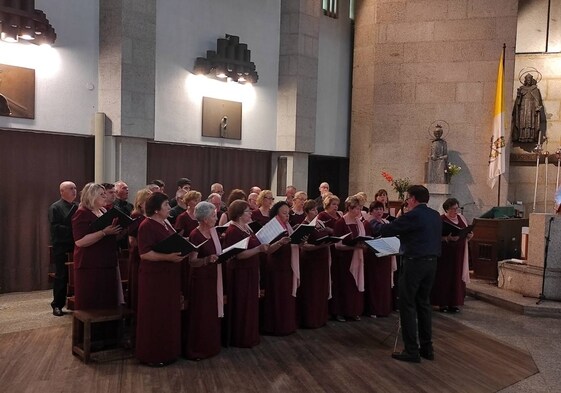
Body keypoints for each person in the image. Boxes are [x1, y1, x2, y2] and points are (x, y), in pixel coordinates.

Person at [374, 185, 441, 363]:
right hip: (432, 263)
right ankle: (427, 348)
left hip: (415, 263)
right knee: (424, 304)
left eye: (407, 199)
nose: (407, 202)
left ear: (412, 199)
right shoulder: (435, 215)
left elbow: (387, 230)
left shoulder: (413, 215)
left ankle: (411, 350)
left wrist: (374, 223)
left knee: (407, 304)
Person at [136, 192, 185, 366]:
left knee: (168, 314)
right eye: (166, 205)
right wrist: (168, 258)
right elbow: (145, 254)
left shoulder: (166, 223)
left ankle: (169, 351)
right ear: (156, 210)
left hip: (168, 275)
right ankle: (153, 355)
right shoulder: (146, 225)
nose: (169, 208)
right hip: (154, 278)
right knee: (155, 315)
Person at [223, 200, 270, 347]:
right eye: (247, 212)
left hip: (251, 270)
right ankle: (241, 337)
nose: (251, 213)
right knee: (242, 305)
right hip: (241, 273)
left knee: (250, 305)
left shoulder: (246, 228)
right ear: (238, 214)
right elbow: (238, 255)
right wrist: (258, 250)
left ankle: (250, 335)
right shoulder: (233, 230)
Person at [72, 183, 122, 310]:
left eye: (105, 193)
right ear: (91, 196)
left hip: (106, 261)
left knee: (107, 300)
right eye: (102, 194)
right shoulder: (82, 213)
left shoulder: (104, 211)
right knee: (93, 301)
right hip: (90, 263)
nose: (105, 196)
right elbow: (80, 241)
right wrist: (104, 232)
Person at [185, 201, 223, 360]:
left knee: (210, 312)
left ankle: (211, 346)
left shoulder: (213, 232)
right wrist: (207, 260)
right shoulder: (195, 234)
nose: (216, 217)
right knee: (201, 313)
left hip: (212, 276)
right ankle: (198, 348)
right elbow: (192, 261)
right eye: (214, 215)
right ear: (205, 218)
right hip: (200, 279)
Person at [431, 198, 473, 313]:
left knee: (456, 277)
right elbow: (434, 237)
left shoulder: (462, 218)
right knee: (444, 278)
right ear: (446, 209)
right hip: (445, 254)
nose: (455, 211)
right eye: (453, 209)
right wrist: (447, 238)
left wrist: (469, 236)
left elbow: (466, 231)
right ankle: (442, 303)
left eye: (457, 208)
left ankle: (454, 303)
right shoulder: (441, 220)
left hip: (459, 253)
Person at [263, 201, 297, 335]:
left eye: (288, 213)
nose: (287, 216)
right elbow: (268, 250)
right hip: (276, 266)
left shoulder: (288, 226)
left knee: (286, 297)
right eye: (284, 213)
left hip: (287, 265)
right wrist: (280, 242)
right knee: (277, 296)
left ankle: (286, 325)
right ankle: (276, 326)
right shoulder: (272, 226)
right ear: (276, 213)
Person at [331, 196, 366, 322]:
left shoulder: (359, 222)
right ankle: (341, 312)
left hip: (357, 258)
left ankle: (353, 311)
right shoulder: (341, 223)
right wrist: (353, 247)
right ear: (349, 208)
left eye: (359, 208)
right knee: (344, 286)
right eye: (355, 208)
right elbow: (337, 245)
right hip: (344, 259)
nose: (358, 211)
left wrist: (363, 245)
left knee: (354, 286)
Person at [298, 199, 331, 328]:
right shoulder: (305, 225)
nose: (315, 212)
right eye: (312, 210)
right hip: (311, 261)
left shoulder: (320, 223)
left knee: (321, 289)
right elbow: (304, 246)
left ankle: (320, 318)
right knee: (312, 290)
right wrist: (319, 246)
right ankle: (311, 319)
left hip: (321, 260)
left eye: (316, 209)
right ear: (306, 212)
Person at [48, 181, 78, 316]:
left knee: (77, 275)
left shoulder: (77, 207)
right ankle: (57, 305)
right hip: (62, 247)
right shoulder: (55, 207)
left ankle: (77, 302)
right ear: (62, 192)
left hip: (76, 245)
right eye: (71, 188)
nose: (74, 191)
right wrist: (74, 228)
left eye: (75, 188)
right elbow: (55, 229)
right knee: (62, 276)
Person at [364, 201, 397, 318]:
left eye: (381, 209)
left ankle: (384, 309)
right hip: (374, 257)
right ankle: (374, 309)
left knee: (384, 283)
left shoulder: (385, 222)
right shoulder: (368, 223)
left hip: (386, 255)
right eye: (376, 209)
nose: (379, 211)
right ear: (371, 211)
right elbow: (370, 237)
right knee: (375, 283)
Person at [127, 188, 152, 314]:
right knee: (137, 284)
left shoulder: (150, 216)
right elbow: (132, 239)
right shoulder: (136, 216)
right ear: (141, 203)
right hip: (138, 254)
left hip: (145, 253)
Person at [512, 73, 545, 143]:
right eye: (527, 79)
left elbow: (537, 100)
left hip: (531, 108)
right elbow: (518, 103)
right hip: (523, 108)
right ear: (525, 80)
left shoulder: (535, 89)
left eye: (530, 79)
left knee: (531, 122)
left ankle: (531, 136)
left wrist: (537, 107)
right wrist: (519, 95)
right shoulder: (522, 89)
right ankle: (522, 136)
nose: (529, 81)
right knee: (523, 122)